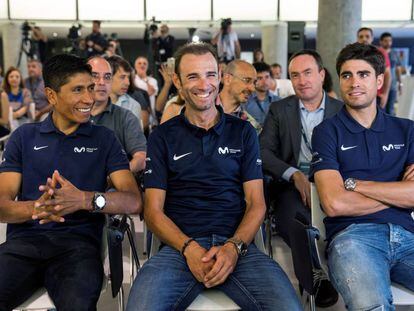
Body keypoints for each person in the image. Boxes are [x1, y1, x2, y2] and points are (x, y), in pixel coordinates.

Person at [126, 42, 302, 311]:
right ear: (177, 80)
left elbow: (257, 203)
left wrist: (233, 247)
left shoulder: (243, 132)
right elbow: (152, 211)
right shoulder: (162, 136)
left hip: (238, 248)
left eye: (209, 75)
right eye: (192, 76)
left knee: (290, 307)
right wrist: (189, 249)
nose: (203, 84)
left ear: (219, 77)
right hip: (178, 249)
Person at [0, 54, 142, 310]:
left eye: (90, 88)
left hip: (78, 250)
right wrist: (38, 208)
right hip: (23, 246)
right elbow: (1, 204)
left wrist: (86, 199)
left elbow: (133, 200)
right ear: (52, 96)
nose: (89, 98)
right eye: (78, 90)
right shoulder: (24, 137)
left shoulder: (104, 139)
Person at [310, 42, 414, 311]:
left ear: (379, 80)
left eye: (363, 74)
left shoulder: (407, 130)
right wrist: (399, 193)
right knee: (373, 307)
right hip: (353, 238)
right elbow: (335, 203)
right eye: (347, 75)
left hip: (408, 237)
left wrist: (357, 185)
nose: (354, 82)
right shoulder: (327, 132)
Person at [260, 49, 342, 308]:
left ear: (321, 75)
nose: (302, 80)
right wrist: (293, 173)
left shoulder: (342, 111)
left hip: (335, 185)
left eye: (308, 73)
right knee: (297, 223)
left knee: (337, 221)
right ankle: (316, 278)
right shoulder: (279, 110)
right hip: (291, 187)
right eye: (295, 75)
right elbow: (263, 151)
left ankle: (345, 268)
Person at [88, 56, 147, 173]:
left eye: (107, 77)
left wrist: (118, 177)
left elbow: (141, 157)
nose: (101, 82)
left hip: (113, 187)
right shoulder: (71, 114)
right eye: (95, 76)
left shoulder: (126, 117)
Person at [218, 60, 262, 133]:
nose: (252, 89)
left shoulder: (252, 126)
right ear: (228, 79)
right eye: (247, 80)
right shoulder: (200, 109)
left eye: (254, 83)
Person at [356, 27, 391, 109]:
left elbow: (387, 74)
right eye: (361, 37)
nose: (364, 39)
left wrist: (385, 94)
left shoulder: (380, 52)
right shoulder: (354, 54)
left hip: (376, 96)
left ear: (372, 38)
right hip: (359, 94)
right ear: (357, 39)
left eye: (367, 36)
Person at [107, 55, 143, 123]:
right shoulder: (92, 102)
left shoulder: (133, 106)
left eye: (128, 77)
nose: (128, 83)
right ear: (108, 77)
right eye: (122, 77)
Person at [245, 62, 280, 127]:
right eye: (260, 78)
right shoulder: (245, 101)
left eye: (267, 77)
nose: (264, 82)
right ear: (253, 80)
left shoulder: (278, 101)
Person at [379, 32, 402, 116]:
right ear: (381, 42)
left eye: (390, 40)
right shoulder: (377, 53)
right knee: (381, 108)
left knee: (390, 109)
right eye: (385, 41)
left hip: (392, 86)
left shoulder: (395, 53)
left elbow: (398, 69)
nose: (388, 43)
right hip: (381, 86)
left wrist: (400, 83)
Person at [134, 56, 159, 125]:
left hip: (152, 116)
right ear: (135, 66)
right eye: (139, 63)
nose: (142, 65)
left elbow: (151, 92)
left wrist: (146, 79)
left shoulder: (153, 80)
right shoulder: (132, 80)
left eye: (144, 64)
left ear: (147, 66)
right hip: (138, 114)